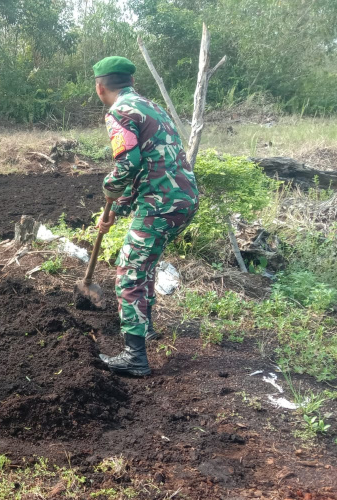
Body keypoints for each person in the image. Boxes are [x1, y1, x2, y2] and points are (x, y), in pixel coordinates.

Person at [92, 56, 198, 376]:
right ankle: (145, 329)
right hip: (183, 200)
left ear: (100, 87)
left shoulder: (119, 112)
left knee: (129, 271)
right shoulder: (151, 107)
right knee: (145, 265)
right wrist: (119, 209)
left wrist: (108, 189)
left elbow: (127, 166)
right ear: (130, 81)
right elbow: (149, 166)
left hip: (160, 204)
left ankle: (134, 357)